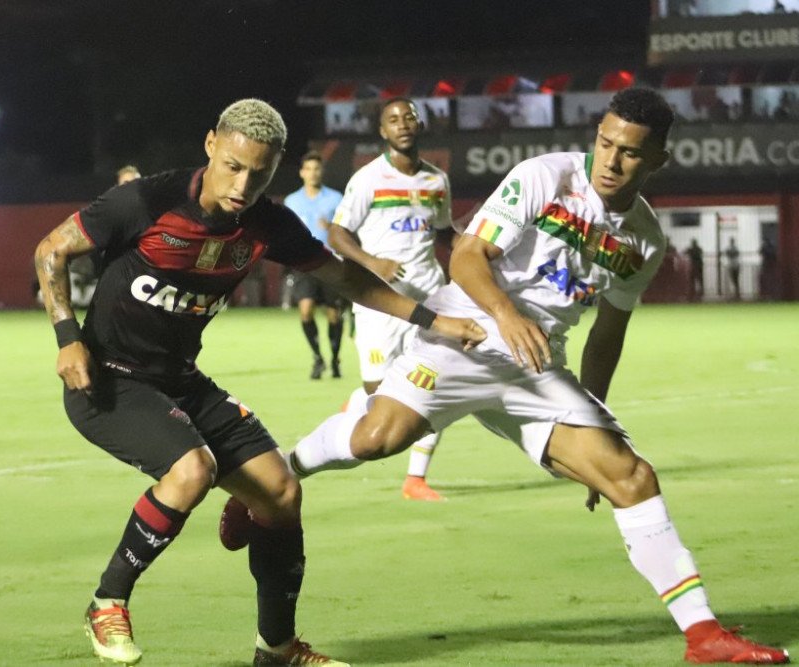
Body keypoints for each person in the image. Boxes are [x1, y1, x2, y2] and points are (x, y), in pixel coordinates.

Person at [279, 89, 788, 664]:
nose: (611, 161)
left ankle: (703, 637)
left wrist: (591, 421)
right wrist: (505, 315)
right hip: (466, 335)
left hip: (537, 366)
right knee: (377, 439)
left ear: (658, 161)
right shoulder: (546, 176)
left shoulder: (643, 240)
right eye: (605, 143)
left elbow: (607, 334)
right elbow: (467, 256)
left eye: (629, 153)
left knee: (630, 477)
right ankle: (276, 475)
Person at [33, 98, 485, 667]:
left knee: (281, 493)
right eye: (234, 167)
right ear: (211, 146)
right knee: (191, 468)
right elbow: (51, 250)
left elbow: (344, 278)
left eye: (260, 173)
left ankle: (277, 650)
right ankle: (107, 602)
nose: (244, 185)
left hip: (182, 382)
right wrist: (67, 336)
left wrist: (431, 318)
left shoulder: (268, 223)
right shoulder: (146, 200)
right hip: (108, 383)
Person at [328, 97, 455, 502]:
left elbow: (445, 234)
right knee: (379, 395)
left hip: (430, 300)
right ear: (382, 131)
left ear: (419, 125)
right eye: (393, 120)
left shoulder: (437, 181)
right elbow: (338, 234)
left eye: (409, 118)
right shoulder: (368, 179)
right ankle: (355, 408)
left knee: (434, 386)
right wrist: (372, 262)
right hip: (379, 303)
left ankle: (415, 479)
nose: (402, 124)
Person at [283, 151, 345, 379]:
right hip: (304, 264)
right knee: (306, 311)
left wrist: (331, 228)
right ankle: (318, 357)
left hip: (331, 263)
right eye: (308, 169)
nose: (312, 173)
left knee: (334, 316)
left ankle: (335, 358)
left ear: (322, 172)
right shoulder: (291, 201)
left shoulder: (336, 198)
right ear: (302, 173)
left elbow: (346, 231)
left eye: (316, 169)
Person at [724, 236, 741, 300]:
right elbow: (732, 254)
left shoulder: (731, 248)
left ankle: (736, 291)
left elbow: (729, 254)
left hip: (733, 265)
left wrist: (730, 253)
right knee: (734, 279)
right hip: (734, 265)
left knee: (734, 279)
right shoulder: (734, 248)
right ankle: (736, 291)